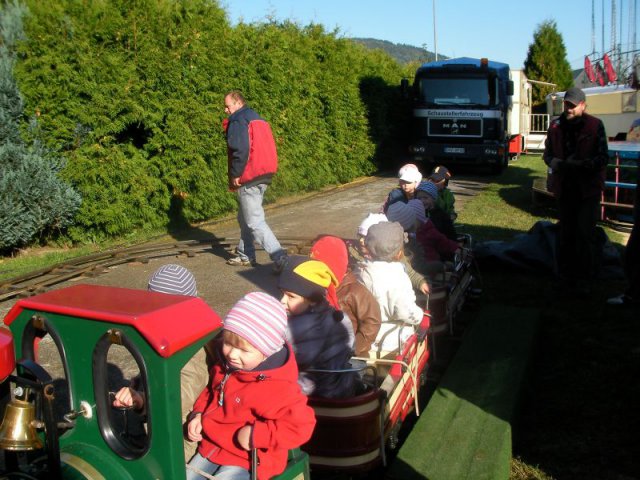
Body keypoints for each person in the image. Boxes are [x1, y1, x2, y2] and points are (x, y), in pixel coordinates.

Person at [186, 292, 315, 480]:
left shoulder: (277, 388)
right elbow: (211, 392)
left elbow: (302, 425)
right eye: (228, 343)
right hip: (211, 446)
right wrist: (198, 413)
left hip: (248, 459)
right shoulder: (227, 366)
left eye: (244, 350)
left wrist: (259, 435)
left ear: (266, 352)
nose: (232, 354)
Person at [112, 264, 214, 462]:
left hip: (180, 435)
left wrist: (143, 398)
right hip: (151, 423)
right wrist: (139, 380)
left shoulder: (194, 346)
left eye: (158, 308)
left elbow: (182, 393)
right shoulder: (165, 331)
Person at [543, 87, 609, 294]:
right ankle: (564, 276)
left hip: (587, 190)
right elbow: (547, 154)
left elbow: (603, 158)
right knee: (566, 234)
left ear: (583, 105)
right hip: (565, 188)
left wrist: (583, 164)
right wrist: (557, 163)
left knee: (585, 234)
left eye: (572, 105)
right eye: (566, 104)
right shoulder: (555, 126)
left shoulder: (596, 125)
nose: (568, 108)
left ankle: (585, 279)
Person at [223, 90, 288, 273]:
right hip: (264, 173)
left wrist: (236, 173)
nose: (226, 110)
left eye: (227, 106)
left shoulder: (238, 120)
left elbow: (240, 149)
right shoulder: (257, 118)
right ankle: (245, 254)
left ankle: (281, 258)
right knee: (244, 217)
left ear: (237, 103)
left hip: (249, 175)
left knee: (254, 221)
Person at [278, 256, 360, 398]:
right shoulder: (340, 316)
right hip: (341, 384)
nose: (282, 301)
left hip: (313, 391)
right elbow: (350, 347)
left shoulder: (295, 327)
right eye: (283, 294)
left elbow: (286, 360)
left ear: (311, 299)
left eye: (290, 296)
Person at [358, 221, 425, 355]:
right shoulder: (397, 277)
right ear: (399, 253)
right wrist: (419, 315)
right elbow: (405, 311)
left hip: (364, 335)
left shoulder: (361, 271)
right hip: (392, 341)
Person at [309, 235, 382, 357]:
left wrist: (355, 346)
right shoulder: (315, 287)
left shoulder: (354, 291)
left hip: (350, 354)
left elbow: (372, 321)